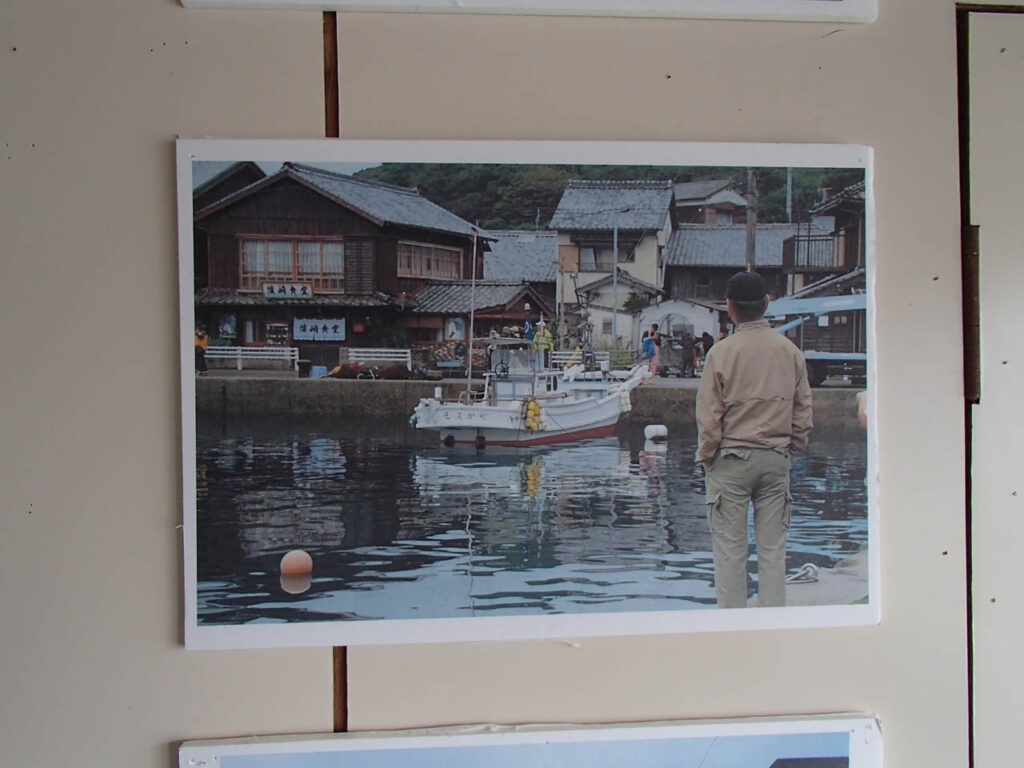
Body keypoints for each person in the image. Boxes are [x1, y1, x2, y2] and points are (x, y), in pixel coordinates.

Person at [695, 271, 813, 609]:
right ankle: (772, 626)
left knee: (731, 553)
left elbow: (709, 418)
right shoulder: (790, 351)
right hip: (775, 458)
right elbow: (804, 411)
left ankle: (734, 629)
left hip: (730, 460)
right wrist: (792, 449)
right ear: (766, 304)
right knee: (773, 551)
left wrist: (707, 458)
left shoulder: (721, 353)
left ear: (729, 308)